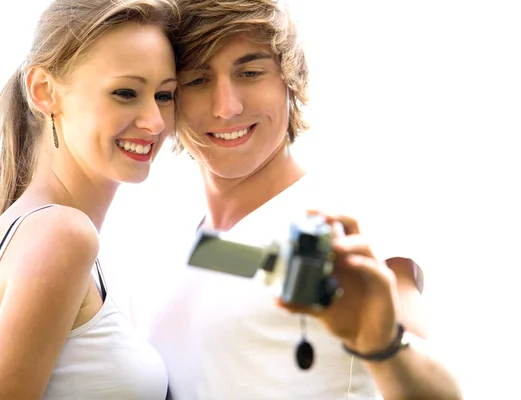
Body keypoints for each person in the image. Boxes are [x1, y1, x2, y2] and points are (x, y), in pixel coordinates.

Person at [145, 0, 463, 399]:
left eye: (250, 72)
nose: (226, 106)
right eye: (196, 80)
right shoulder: (182, 249)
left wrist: (383, 346)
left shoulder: (341, 218)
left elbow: (442, 389)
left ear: (289, 79)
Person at [0, 0, 179, 398]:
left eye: (165, 96)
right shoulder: (62, 235)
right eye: (125, 92)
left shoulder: (35, 230)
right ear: (44, 91)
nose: (154, 122)